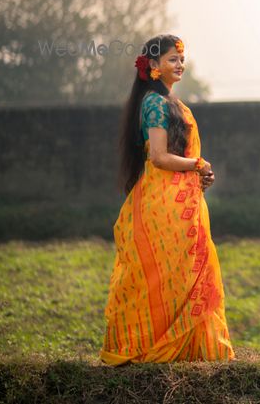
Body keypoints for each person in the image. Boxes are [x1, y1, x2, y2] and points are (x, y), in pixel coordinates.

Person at [100, 34, 235, 365]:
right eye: (173, 59)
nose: (180, 64)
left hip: (181, 202)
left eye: (181, 59)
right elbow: (159, 157)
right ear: (154, 66)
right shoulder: (155, 103)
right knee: (162, 277)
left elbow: (179, 158)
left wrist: (200, 174)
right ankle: (150, 346)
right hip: (162, 205)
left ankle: (193, 350)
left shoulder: (174, 104)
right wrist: (198, 164)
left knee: (186, 275)